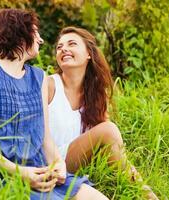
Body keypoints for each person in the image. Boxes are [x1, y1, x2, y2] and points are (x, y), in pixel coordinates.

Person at [0, 9, 109, 200]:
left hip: (40, 173)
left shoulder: (39, 77)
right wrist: (18, 171)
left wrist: (58, 164)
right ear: (20, 31)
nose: (40, 40)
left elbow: (45, 137)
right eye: (36, 33)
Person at [48, 26, 159, 199]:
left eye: (72, 44)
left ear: (88, 54)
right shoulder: (49, 85)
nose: (64, 49)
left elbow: (112, 146)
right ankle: (147, 195)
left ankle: (145, 194)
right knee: (108, 129)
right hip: (50, 160)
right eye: (59, 47)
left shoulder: (95, 94)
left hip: (76, 163)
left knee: (111, 138)